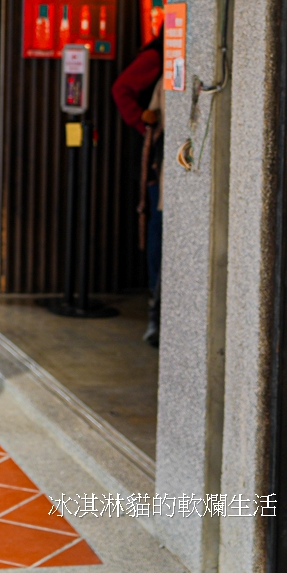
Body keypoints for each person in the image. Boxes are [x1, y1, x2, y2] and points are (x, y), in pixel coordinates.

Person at [113, 32, 164, 346]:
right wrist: (142, 121)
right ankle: (154, 306)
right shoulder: (158, 55)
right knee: (158, 229)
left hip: (159, 154)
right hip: (155, 156)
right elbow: (121, 89)